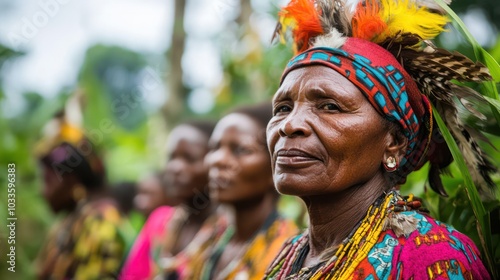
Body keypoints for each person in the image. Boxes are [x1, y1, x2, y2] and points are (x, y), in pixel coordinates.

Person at [263, 0, 496, 279]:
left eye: (330, 106)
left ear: (394, 142)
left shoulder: (432, 258)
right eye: (282, 108)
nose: (289, 125)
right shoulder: (291, 253)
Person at [189, 103, 299, 279]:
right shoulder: (210, 237)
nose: (218, 160)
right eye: (215, 148)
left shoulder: (287, 254)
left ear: (275, 167)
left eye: (240, 150)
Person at [120, 120, 226, 280]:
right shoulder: (160, 221)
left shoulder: (227, 230)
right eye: (171, 157)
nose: (176, 168)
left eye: (189, 158)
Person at [35, 114, 126, 280]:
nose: (42, 191)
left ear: (71, 181)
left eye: (47, 181)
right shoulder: (69, 223)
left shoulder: (102, 223)